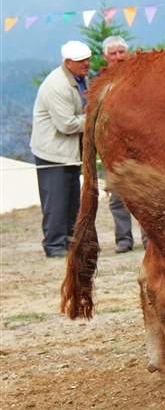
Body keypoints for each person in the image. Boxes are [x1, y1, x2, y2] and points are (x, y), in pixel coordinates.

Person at [30, 41, 90, 257]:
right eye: (80, 60)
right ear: (67, 63)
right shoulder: (58, 84)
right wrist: (93, 119)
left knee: (72, 200)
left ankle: (69, 243)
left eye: (87, 58)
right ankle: (54, 246)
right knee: (56, 201)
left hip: (70, 152)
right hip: (53, 152)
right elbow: (65, 124)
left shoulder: (80, 79)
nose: (86, 63)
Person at [100, 36, 140, 253]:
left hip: (140, 143)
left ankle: (149, 238)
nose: (118, 57)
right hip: (113, 146)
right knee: (117, 197)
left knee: (146, 194)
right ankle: (123, 239)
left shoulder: (139, 76)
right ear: (105, 57)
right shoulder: (100, 82)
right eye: (113, 54)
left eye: (121, 52)